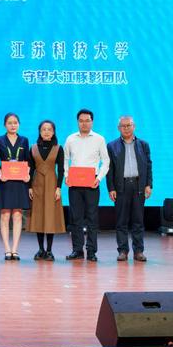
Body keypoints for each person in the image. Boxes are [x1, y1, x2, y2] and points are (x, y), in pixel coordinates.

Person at [63, 109, 109, 262]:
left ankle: (91, 251)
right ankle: (77, 250)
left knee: (92, 218)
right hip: (74, 183)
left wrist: (99, 178)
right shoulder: (70, 139)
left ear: (92, 122)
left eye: (87, 120)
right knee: (75, 218)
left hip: (92, 183)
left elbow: (106, 161)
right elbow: (65, 159)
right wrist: (67, 176)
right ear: (78, 122)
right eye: (81, 121)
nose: (84, 123)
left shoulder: (99, 139)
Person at [106, 116, 153, 262]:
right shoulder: (111, 146)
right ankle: (123, 251)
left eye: (129, 125)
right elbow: (109, 169)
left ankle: (139, 251)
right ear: (118, 128)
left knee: (138, 221)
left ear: (134, 126)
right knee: (121, 221)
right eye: (123, 126)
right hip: (121, 186)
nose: (126, 128)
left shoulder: (143, 145)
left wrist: (149, 184)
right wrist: (111, 188)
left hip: (139, 185)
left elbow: (149, 166)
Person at [0, 113, 31, 261]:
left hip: (20, 181)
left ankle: (15, 249)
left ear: (19, 124)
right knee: (5, 215)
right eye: (10, 123)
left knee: (17, 215)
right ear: (5, 125)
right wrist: (0, 172)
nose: (13, 125)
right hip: (5, 181)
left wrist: (27, 174)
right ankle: (7, 249)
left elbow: (27, 161)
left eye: (15, 122)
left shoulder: (24, 140)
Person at [27, 120, 66, 261]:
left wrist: (59, 188)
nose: (46, 132)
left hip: (51, 184)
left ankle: (49, 250)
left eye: (49, 129)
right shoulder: (33, 148)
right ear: (39, 131)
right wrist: (29, 187)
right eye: (44, 129)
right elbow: (30, 169)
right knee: (39, 217)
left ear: (53, 132)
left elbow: (61, 170)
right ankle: (40, 249)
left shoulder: (58, 148)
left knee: (50, 216)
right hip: (37, 184)